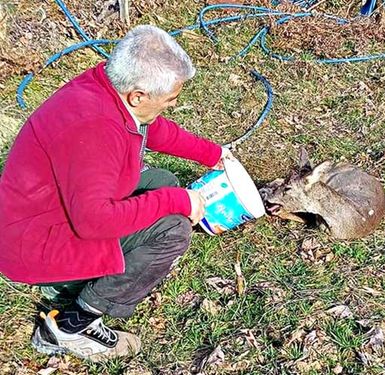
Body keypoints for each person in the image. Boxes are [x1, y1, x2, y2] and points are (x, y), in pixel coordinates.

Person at [0, 25, 228, 361]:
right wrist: (178, 201)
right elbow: (94, 221)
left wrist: (215, 154)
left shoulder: (103, 87)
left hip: (43, 221)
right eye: (170, 100)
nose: (171, 106)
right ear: (138, 95)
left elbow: (152, 127)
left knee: (161, 180)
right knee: (172, 229)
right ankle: (72, 323)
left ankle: (81, 281)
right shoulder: (95, 130)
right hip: (37, 246)